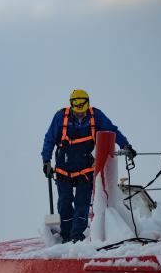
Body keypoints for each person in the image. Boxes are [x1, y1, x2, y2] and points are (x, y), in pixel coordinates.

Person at [41, 89, 136, 243]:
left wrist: (125, 145)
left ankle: (76, 238)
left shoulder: (96, 116)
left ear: (88, 105)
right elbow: (49, 138)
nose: (80, 114)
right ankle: (66, 236)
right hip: (63, 169)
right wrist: (46, 160)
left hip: (85, 169)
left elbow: (112, 130)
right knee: (64, 202)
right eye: (77, 109)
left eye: (82, 110)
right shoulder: (61, 117)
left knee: (82, 204)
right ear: (71, 105)